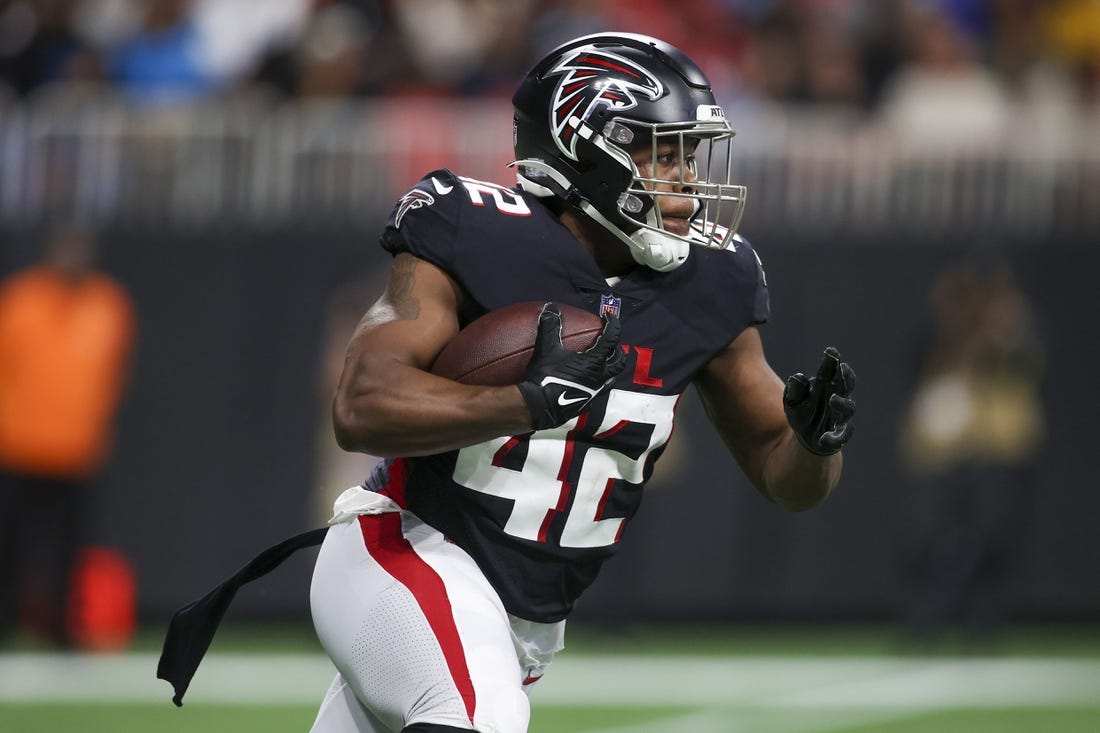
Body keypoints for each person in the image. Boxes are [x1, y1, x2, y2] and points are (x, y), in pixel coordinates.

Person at [156, 30, 856, 731]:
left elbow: (782, 474)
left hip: (517, 623)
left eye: (689, 154)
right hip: (404, 552)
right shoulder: (477, 232)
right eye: (662, 152)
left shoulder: (712, 281)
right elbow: (361, 401)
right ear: (586, 147)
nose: (689, 179)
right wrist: (517, 402)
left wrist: (816, 443)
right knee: (478, 715)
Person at [0, 224, 136, 648]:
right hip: (19, 446)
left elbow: (111, 376)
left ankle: (61, 632)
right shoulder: (21, 300)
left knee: (69, 550)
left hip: (77, 449)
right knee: (10, 545)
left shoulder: (108, 305)